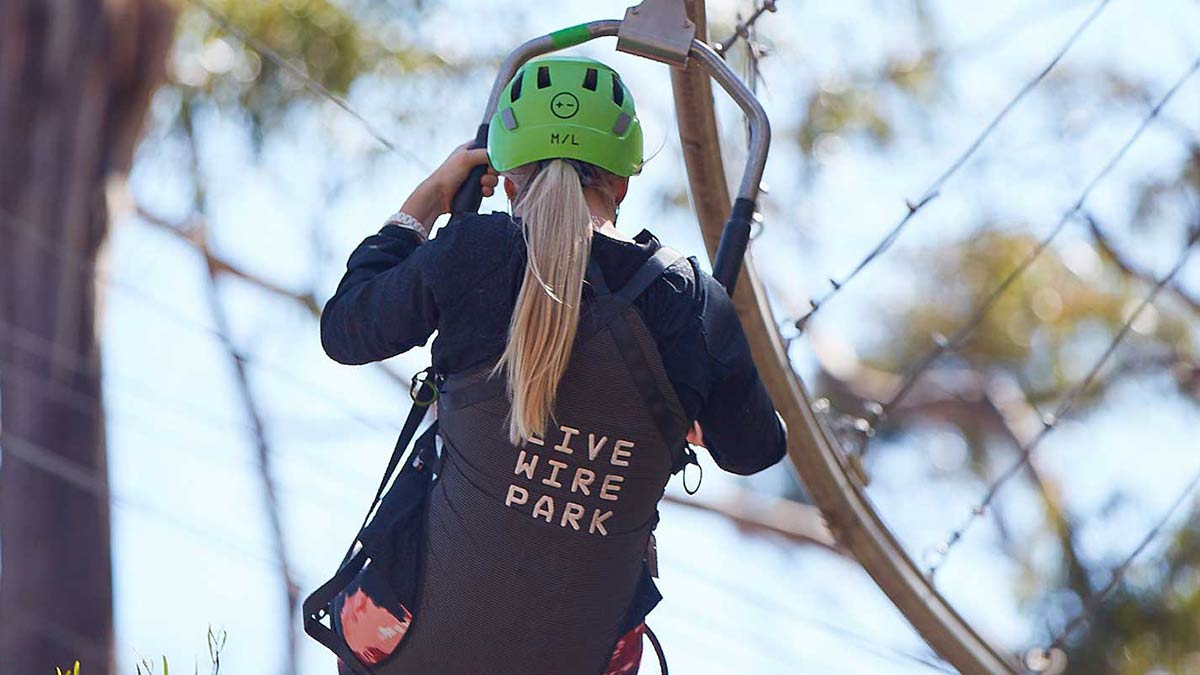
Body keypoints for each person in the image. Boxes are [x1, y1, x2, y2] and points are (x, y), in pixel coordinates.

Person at [320, 56, 786, 675]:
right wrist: (691, 409)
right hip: (577, 656)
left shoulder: (474, 251)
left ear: (507, 179)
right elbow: (755, 450)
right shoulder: (691, 300)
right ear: (622, 182)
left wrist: (432, 196)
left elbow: (346, 327)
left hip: (401, 634)